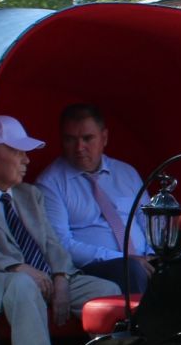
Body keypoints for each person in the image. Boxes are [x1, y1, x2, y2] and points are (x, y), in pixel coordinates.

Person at [0, 115, 120, 345]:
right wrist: (18, 267)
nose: (27, 160)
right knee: (23, 287)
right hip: (5, 278)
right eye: (18, 152)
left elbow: (51, 242)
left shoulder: (28, 194)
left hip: (48, 275)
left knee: (107, 291)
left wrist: (60, 277)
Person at [37, 102, 154, 294]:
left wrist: (152, 254)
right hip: (93, 268)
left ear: (104, 138)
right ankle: (141, 324)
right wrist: (123, 258)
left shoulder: (126, 172)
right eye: (70, 139)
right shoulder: (50, 183)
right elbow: (61, 244)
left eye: (87, 138)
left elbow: (147, 219)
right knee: (131, 271)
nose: (79, 147)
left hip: (142, 260)